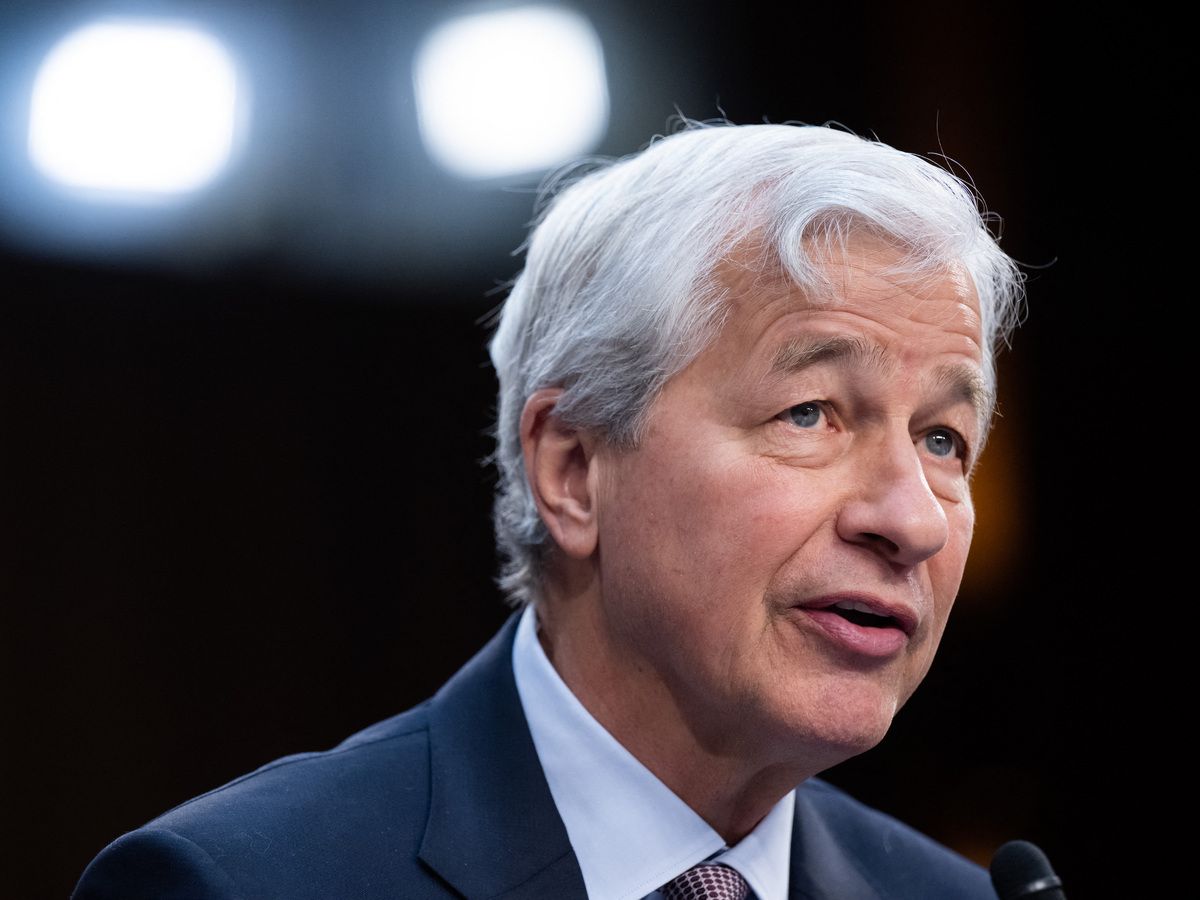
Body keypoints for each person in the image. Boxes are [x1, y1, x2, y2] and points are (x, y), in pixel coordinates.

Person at [73, 122, 1024, 900]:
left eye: (943, 439)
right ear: (572, 468)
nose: (914, 521)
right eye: (810, 413)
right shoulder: (246, 885)